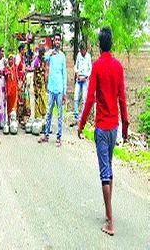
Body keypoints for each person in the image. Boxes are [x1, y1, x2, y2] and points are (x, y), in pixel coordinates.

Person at [78, 27, 128, 236]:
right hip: (114, 126)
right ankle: (109, 210)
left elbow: (90, 99)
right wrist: (125, 126)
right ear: (112, 44)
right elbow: (122, 99)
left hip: (101, 127)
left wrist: (81, 125)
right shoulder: (118, 67)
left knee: (104, 173)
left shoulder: (97, 66)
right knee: (109, 168)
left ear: (99, 45)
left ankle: (109, 220)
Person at [38, 33, 67, 147]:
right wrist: (50, 52)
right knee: (49, 113)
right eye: (55, 40)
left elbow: (64, 74)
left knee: (60, 114)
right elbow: (43, 57)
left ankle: (59, 137)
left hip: (59, 89)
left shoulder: (62, 56)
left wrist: (64, 92)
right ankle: (46, 135)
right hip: (51, 88)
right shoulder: (50, 54)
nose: (57, 42)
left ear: (60, 42)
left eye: (59, 40)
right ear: (53, 41)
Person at [70, 41, 92, 127]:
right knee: (76, 97)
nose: (82, 52)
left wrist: (86, 77)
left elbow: (90, 68)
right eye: (81, 50)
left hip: (85, 78)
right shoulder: (79, 55)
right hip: (79, 78)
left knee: (84, 98)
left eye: (83, 50)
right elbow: (76, 66)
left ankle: (83, 117)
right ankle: (76, 117)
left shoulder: (88, 56)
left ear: (85, 50)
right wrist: (77, 73)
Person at [16, 43, 30, 125]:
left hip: (23, 81)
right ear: (21, 50)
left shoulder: (23, 58)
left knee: (24, 98)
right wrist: (18, 80)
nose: (25, 51)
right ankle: (19, 117)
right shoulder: (18, 57)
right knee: (20, 99)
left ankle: (23, 117)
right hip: (20, 82)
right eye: (24, 49)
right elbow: (16, 69)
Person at [33, 48, 48, 120]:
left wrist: (45, 81)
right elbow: (35, 74)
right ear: (39, 53)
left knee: (43, 99)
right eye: (41, 53)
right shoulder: (36, 61)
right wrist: (35, 85)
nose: (42, 55)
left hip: (42, 83)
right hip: (37, 83)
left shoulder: (44, 60)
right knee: (37, 100)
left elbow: (44, 72)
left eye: (43, 54)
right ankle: (37, 118)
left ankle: (43, 116)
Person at [5, 55, 18, 121]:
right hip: (9, 89)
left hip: (14, 88)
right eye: (9, 59)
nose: (10, 61)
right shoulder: (6, 68)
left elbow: (17, 77)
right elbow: (5, 76)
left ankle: (14, 119)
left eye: (12, 59)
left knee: (14, 104)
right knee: (9, 104)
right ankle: (9, 119)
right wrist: (8, 73)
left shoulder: (15, 67)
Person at [0, 47, 6, 128]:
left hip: (4, 82)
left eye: (3, 51)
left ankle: (3, 121)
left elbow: (7, 70)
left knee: (3, 101)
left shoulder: (4, 61)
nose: (3, 52)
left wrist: (3, 72)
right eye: (2, 51)